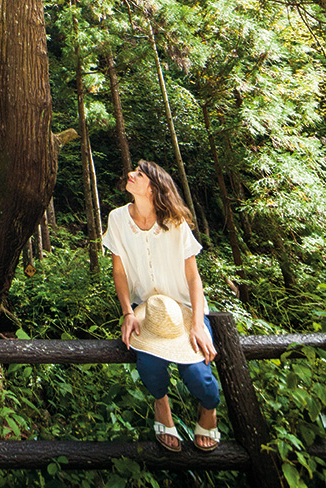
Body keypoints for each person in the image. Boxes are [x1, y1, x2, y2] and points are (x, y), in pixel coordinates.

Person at [101, 160, 221, 452]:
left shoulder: (175, 223)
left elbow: (193, 276)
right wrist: (128, 312)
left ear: (153, 188)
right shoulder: (117, 219)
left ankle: (209, 411)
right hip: (149, 310)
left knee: (198, 374)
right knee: (150, 367)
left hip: (184, 308)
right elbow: (119, 272)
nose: (129, 174)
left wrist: (196, 325)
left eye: (138, 174)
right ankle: (161, 404)